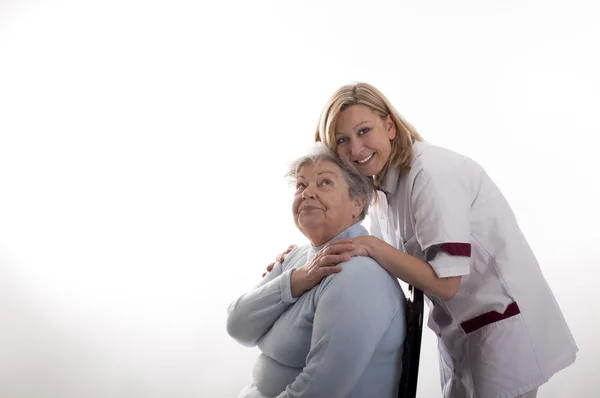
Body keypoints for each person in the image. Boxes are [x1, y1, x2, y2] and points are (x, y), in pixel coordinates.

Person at [266, 82, 578, 398]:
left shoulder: (431, 174)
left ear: (389, 125)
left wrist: (373, 247)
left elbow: (445, 283)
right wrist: (306, 257)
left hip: (504, 331)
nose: (356, 149)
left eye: (364, 131)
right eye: (342, 140)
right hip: (462, 332)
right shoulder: (382, 191)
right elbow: (363, 250)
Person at [227, 143, 407, 398]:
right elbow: (238, 326)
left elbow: (319, 391)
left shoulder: (357, 277)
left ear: (357, 203)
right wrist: (296, 280)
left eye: (324, 183)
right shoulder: (297, 256)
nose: (307, 193)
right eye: (301, 185)